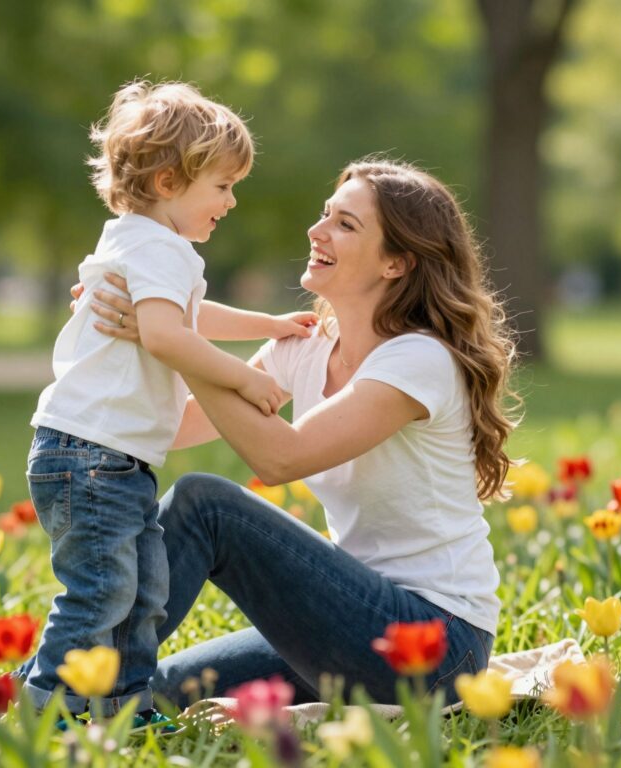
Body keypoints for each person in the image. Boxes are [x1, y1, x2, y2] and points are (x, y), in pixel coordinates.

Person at [86, 157, 517, 706]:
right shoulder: (306, 347)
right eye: (325, 214)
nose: (317, 231)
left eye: (346, 224)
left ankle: (49, 692)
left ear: (396, 263)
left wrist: (171, 340)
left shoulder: (419, 360)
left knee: (207, 505)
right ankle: (26, 693)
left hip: (435, 646)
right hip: (348, 621)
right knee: (161, 690)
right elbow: (174, 427)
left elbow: (281, 459)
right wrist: (127, 332)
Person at [20, 80, 316, 726]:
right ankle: (47, 711)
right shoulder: (156, 246)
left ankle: (122, 706)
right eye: (222, 185)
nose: (232, 201)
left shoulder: (149, 247)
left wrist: (267, 325)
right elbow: (164, 334)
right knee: (101, 593)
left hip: (108, 458)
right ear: (167, 182)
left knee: (143, 591)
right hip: (90, 455)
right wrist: (246, 380)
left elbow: (186, 315)